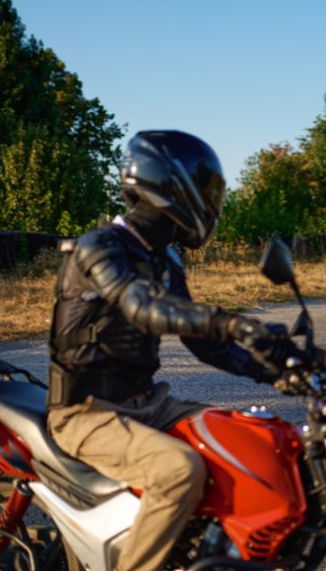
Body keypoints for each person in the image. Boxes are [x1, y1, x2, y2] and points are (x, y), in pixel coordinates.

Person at [46, 130, 297, 571]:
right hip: (85, 413)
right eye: (205, 190)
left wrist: (277, 370)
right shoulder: (98, 247)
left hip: (147, 404)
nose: (211, 202)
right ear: (169, 186)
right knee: (179, 470)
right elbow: (143, 307)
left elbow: (205, 345)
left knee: (248, 439)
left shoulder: (165, 258)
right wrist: (235, 322)